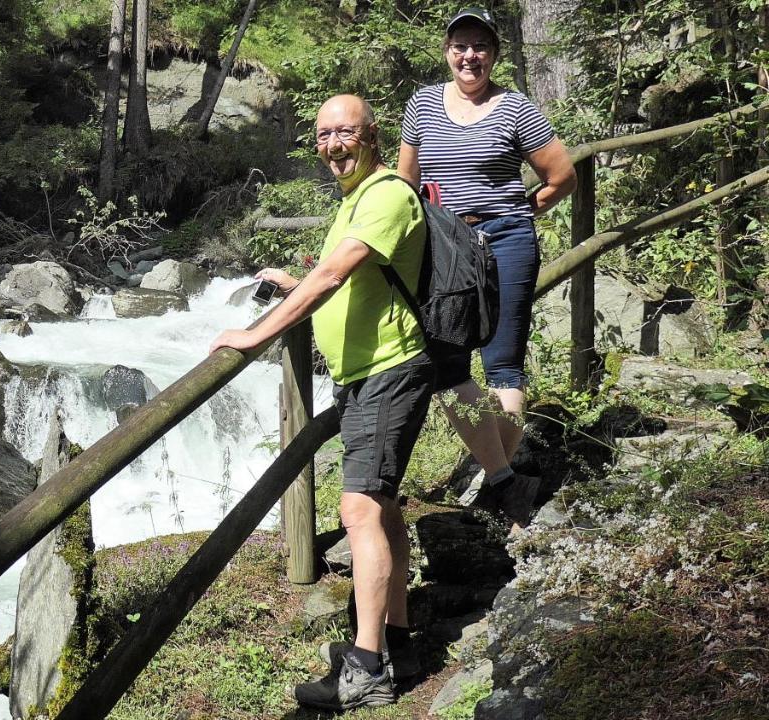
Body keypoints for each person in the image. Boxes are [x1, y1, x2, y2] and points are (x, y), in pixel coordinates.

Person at [210, 94, 430, 711]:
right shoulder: (354, 202)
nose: (335, 146)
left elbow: (335, 274)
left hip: (390, 369)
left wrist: (258, 333)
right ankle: (395, 639)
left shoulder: (386, 194)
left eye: (346, 134)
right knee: (382, 508)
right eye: (325, 137)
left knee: (360, 508)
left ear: (372, 136)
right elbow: (336, 273)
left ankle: (368, 670)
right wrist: (294, 282)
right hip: (367, 372)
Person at [397, 7, 576, 527]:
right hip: (446, 247)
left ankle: (497, 484)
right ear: (447, 52)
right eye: (460, 46)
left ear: (493, 55)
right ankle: (504, 479)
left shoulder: (516, 109)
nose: (469, 55)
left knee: (503, 363)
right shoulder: (423, 104)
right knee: (448, 365)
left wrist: (524, 209)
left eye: (479, 46)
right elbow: (407, 185)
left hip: (506, 239)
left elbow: (561, 177)